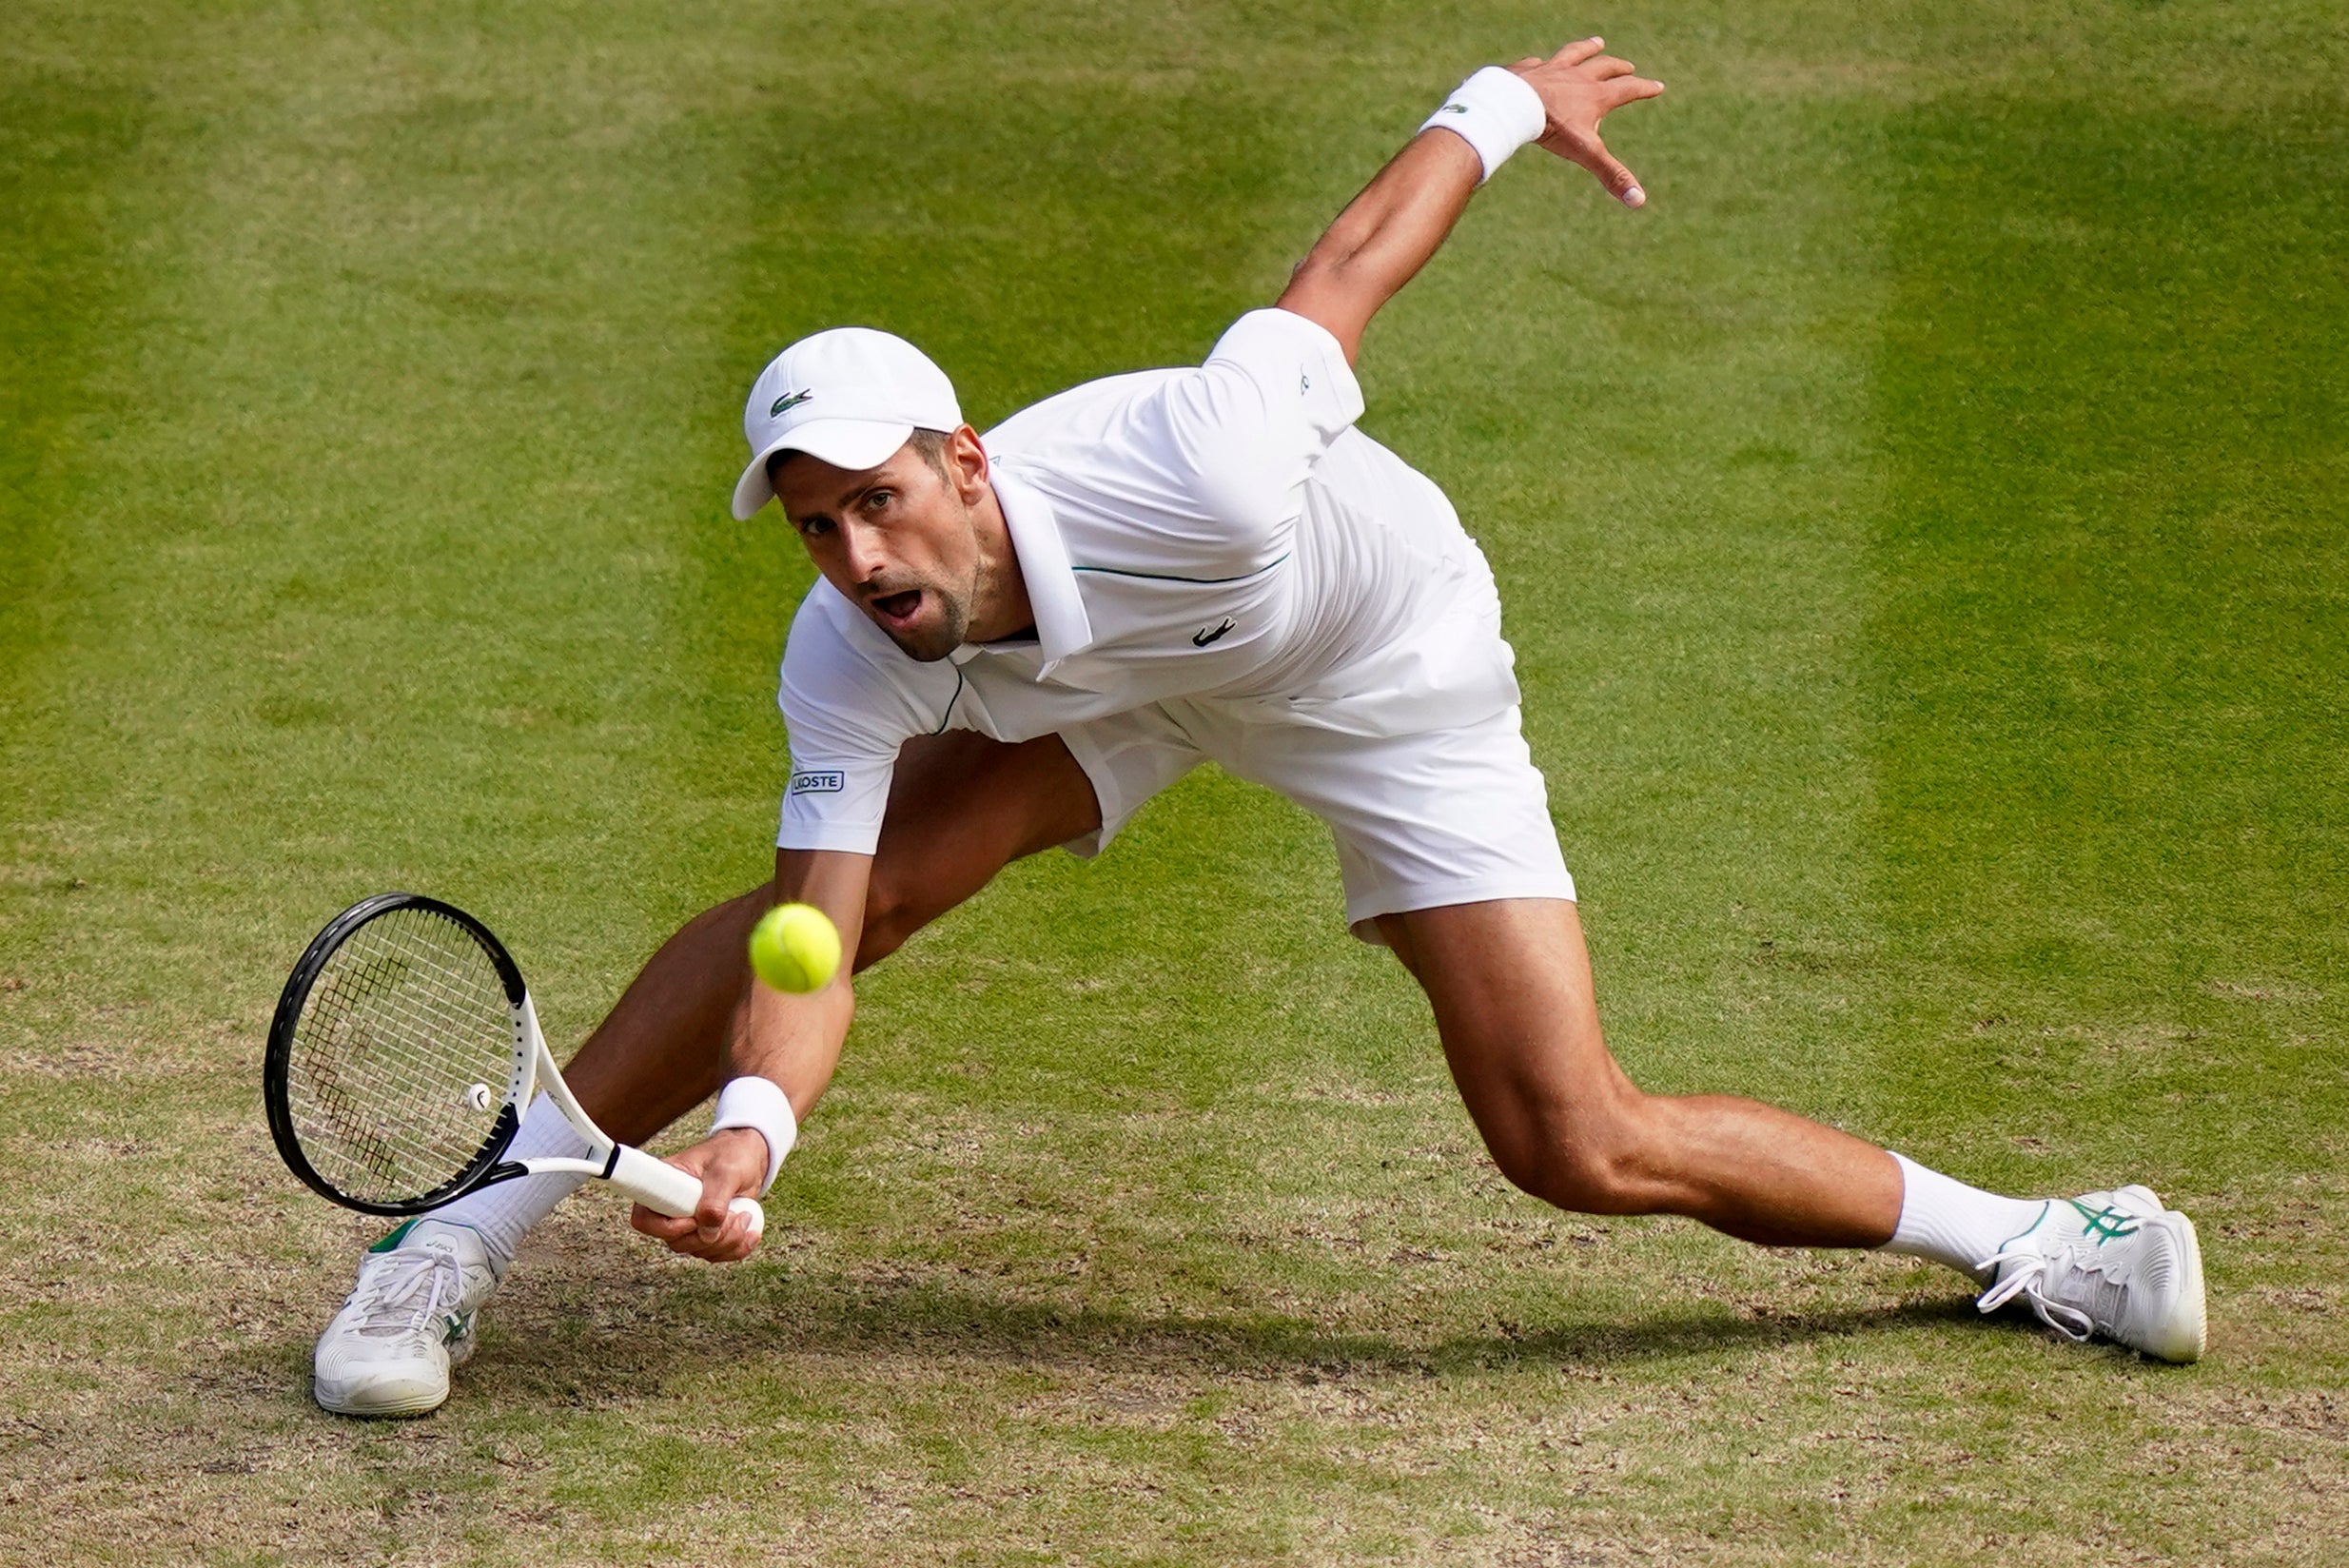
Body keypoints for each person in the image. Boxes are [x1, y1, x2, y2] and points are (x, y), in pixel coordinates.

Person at [309, 38, 2205, 1419]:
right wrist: (751, 1135)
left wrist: (1497, 104)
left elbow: (1352, 262)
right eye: (813, 519)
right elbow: (811, 927)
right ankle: (453, 1233)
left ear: (966, 460)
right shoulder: (845, 651)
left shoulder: (1192, 468)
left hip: (1377, 660)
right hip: (1116, 691)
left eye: (880, 497)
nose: (854, 549)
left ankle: (2053, 1233)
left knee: (1570, 1136)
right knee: (870, 893)